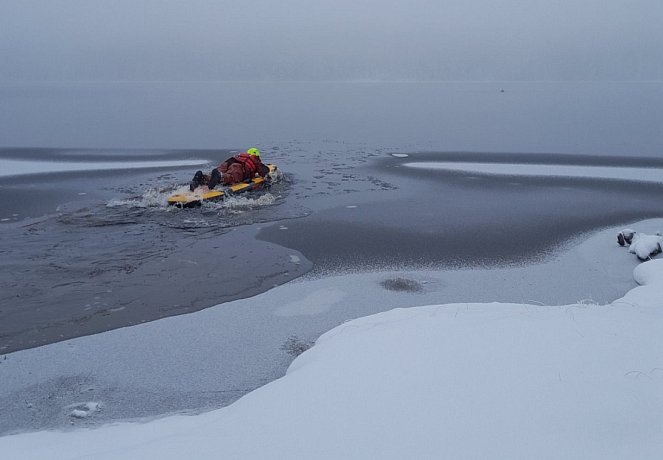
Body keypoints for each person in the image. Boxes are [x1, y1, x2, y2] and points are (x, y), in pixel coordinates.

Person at [190, 147, 270, 191]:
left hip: (229, 162)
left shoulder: (240, 155)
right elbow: (263, 172)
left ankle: (201, 178)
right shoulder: (255, 159)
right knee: (231, 177)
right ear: (257, 155)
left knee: (213, 175)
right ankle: (221, 176)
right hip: (239, 166)